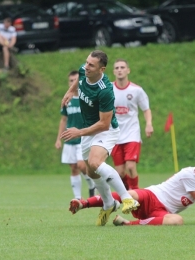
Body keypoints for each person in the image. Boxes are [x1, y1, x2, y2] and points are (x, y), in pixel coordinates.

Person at [60, 50, 139, 226]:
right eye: (86, 62)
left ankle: (127, 199)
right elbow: (79, 81)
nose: (86, 67)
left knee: (95, 162)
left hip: (106, 130)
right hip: (89, 129)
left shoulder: (105, 91)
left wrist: (78, 132)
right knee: (91, 172)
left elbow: (104, 124)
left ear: (101, 69)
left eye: (91, 65)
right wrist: (69, 92)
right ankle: (109, 203)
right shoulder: (84, 70)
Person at [69, 149, 195, 226]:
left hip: (161, 212)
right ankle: (83, 203)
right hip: (152, 195)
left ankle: (128, 224)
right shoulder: (189, 174)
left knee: (177, 221)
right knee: (128, 195)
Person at [111, 59, 153, 190]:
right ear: (113, 71)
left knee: (130, 166)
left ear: (128, 70)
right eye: (117, 68)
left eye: (122, 67)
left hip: (131, 133)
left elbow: (146, 109)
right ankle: (126, 195)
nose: (119, 70)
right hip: (115, 134)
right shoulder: (108, 89)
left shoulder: (137, 90)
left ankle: (135, 193)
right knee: (120, 172)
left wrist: (149, 124)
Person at [55, 70, 96, 199]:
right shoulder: (67, 99)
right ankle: (77, 198)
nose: (73, 83)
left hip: (83, 138)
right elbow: (63, 119)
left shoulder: (86, 98)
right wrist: (58, 139)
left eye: (75, 80)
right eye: (71, 81)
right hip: (69, 139)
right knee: (73, 168)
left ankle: (91, 184)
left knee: (82, 165)